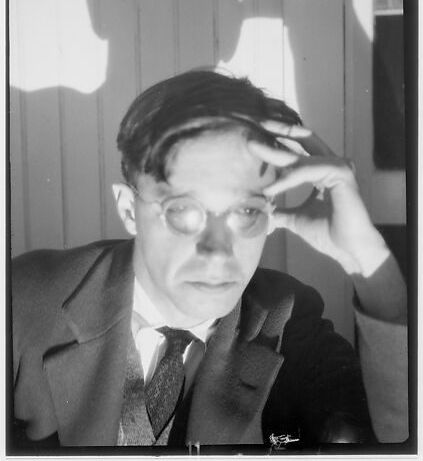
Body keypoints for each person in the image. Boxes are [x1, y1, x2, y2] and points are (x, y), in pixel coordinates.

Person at [11, 69, 407, 449]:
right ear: (130, 209)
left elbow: (397, 440)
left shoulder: (288, 322)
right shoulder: (21, 302)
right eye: (184, 210)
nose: (218, 250)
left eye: (247, 211)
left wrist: (366, 260)